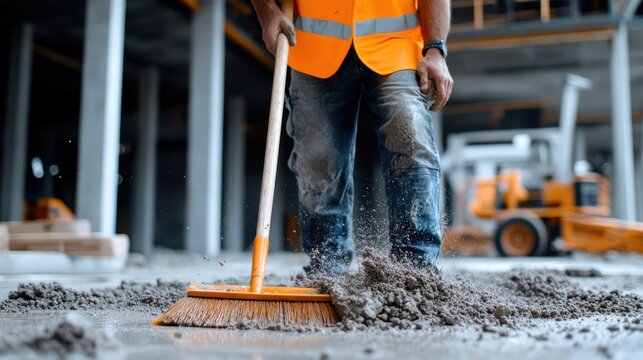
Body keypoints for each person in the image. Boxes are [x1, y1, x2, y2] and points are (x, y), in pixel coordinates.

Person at [251, 0, 453, 274]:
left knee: (410, 136)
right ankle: (327, 269)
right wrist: (267, 13)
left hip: (395, 46)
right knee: (317, 159)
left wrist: (435, 49)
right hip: (315, 48)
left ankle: (415, 270)